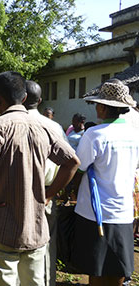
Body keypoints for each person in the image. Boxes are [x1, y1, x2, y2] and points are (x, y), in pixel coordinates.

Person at [0, 71, 80, 286]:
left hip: (1, 226)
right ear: (24, 98)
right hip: (36, 228)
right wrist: (49, 195)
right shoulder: (46, 127)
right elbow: (72, 162)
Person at [71, 80, 139, 286]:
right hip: (123, 210)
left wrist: (71, 191)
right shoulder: (135, 134)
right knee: (118, 265)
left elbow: (79, 168)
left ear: (102, 106)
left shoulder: (94, 134)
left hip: (95, 212)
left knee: (97, 267)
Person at [23, 80, 68, 286]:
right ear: (40, 101)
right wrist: (52, 194)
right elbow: (71, 163)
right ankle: (46, 280)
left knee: (18, 240)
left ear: (20, 97)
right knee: (47, 242)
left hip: (18, 190)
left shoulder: (5, 124)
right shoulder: (54, 127)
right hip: (47, 190)